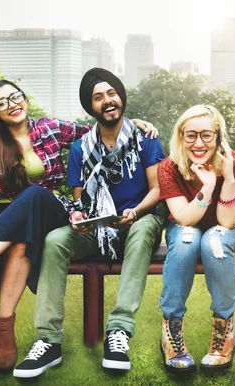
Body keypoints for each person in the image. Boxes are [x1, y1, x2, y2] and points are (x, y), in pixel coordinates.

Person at [0, 79, 156, 372]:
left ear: (25, 99)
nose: (12, 104)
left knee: (34, 194)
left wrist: (128, 122)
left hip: (51, 209)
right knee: (21, 239)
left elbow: (98, 130)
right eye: (2, 102)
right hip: (3, 220)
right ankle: (4, 330)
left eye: (15, 96)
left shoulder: (50, 129)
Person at [13, 68, 165, 378]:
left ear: (121, 97)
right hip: (99, 230)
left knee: (146, 225)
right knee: (56, 239)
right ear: (90, 106)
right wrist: (79, 217)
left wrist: (135, 211)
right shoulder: (82, 148)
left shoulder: (144, 138)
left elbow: (158, 189)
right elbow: (81, 199)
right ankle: (48, 340)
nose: (107, 101)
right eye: (98, 97)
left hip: (137, 223)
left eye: (112, 94)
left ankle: (119, 332)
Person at [157, 105, 235, 374]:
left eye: (206, 135)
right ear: (181, 136)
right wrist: (208, 186)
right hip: (188, 225)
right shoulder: (169, 167)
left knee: (214, 239)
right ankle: (172, 331)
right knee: (188, 238)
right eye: (190, 135)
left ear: (218, 136)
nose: (198, 143)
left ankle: (225, 330)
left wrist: (227, 177)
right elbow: (184, 218)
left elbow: (227, 222)